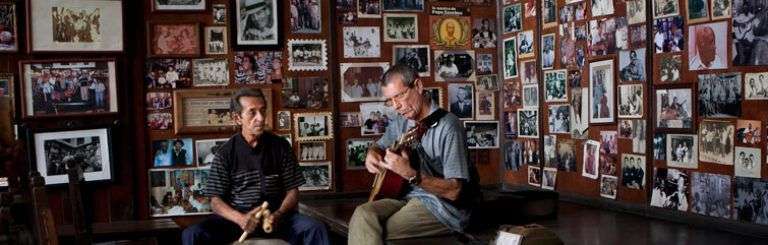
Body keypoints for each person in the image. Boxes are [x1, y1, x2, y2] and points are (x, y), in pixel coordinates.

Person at [348, 64, 480, 245]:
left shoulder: (449, 127)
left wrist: (409, 174)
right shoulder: (403, 121)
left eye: (400, 96)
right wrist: (372, 153)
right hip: (408, 196)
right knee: (363, 214)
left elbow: (454, 191)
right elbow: (379, 146)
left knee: (373, 231)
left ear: (418, 86)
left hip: (444, 208)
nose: (396, 106)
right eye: (390, 100)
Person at [183, 88, 329, 245]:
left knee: (315, 229)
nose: (260, 118)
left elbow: (292, 191)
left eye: (262, 111)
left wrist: (278, 214)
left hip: (276, 218)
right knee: (193, 234)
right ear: (237, 118)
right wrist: (240, 218)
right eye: (252, 112)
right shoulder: (226, 153)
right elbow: (215, 200)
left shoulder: (281, 147)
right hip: (238, 220)